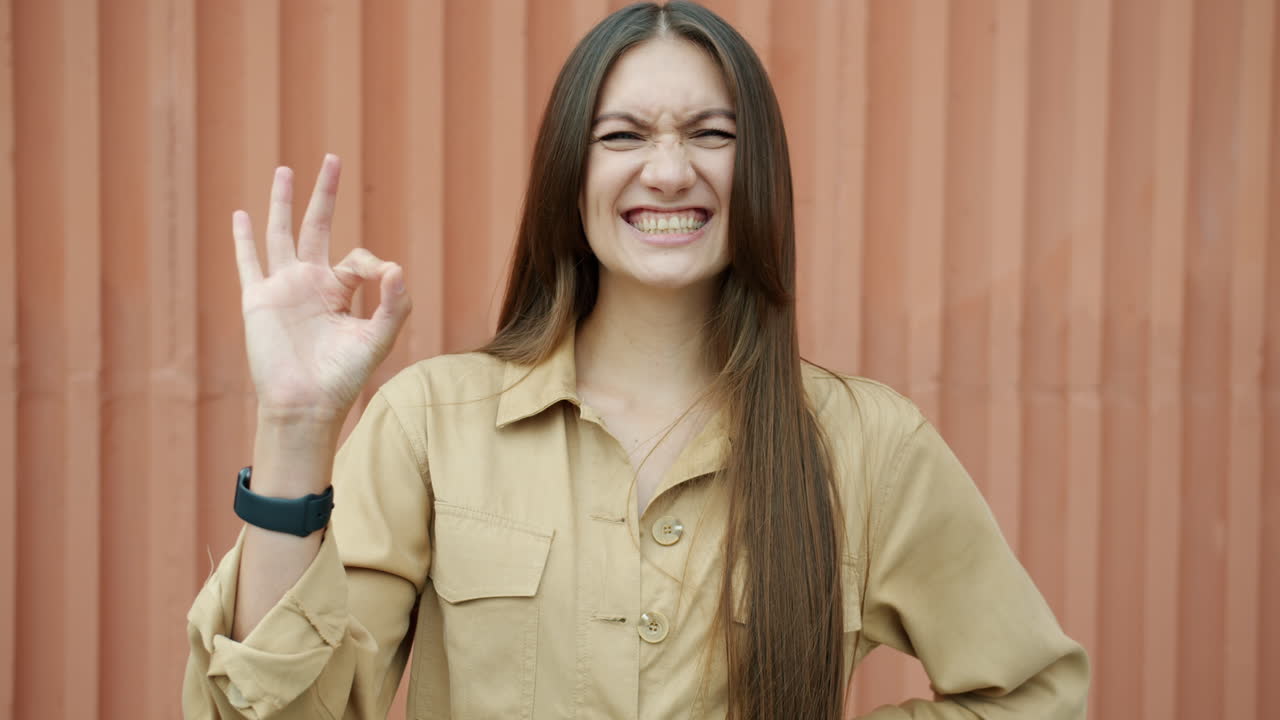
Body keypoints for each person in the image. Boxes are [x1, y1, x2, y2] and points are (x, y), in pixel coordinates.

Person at [183, 2, 1089, 718]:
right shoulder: (430, 426)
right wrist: (295, 425)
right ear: (569, 176)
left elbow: (1032, 693)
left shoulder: (866, 445)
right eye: (623, 136)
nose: (667, 171)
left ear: (760, 169)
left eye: (711, 134)